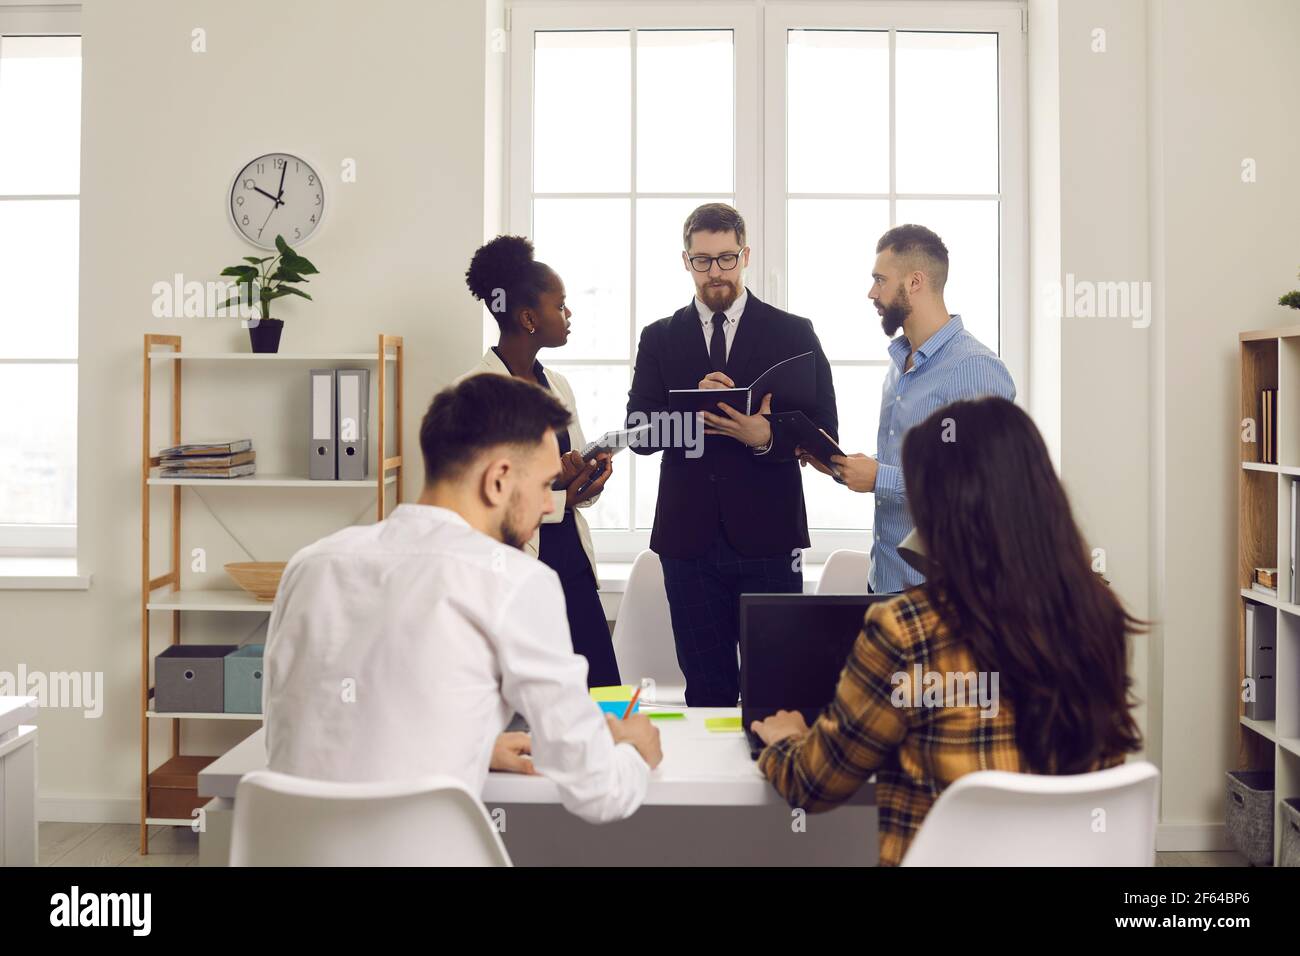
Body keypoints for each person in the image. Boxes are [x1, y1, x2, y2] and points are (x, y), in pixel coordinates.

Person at [753, 397, 1144, 865]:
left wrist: (785, 741)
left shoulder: (908, 630)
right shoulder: (1098, 614)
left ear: (946, 513)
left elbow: (814, 785)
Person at [262, 373, 662, 825]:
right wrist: (632, 751)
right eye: (545, 485)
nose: (551, 505)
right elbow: (599, 792)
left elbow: (299, 727)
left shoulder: (312, 564)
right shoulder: (516, 581)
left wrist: (474, 743)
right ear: (498, 481)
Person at [626, 202, 838, 706]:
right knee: (707, 691)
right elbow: (638, 433)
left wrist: (761, 435)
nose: (714, 272)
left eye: (725, 259)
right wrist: (692, 412)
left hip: (770, 541)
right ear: (686, 261)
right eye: (702, 260)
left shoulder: (794, 332)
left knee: (777, 691)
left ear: (745, 255)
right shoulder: (659, 338)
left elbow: (825, 435)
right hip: (688, 545)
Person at [798, 224, 1015, 594]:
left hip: (941, 593)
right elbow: (909, 462)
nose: (872, 292)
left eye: (880, 280)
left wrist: (879, 477)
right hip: (884, 581)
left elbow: (977, 486)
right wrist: (839, 465)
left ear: (915, 282)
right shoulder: (902, 363)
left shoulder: (975, 368)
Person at [462, 235, 619, 688]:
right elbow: (484, 503)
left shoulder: (559, 385)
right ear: (529, 318)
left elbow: (569, 491)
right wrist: (562, 498)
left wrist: (590, 479)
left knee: (601, 695)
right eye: (561, 306)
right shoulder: (476, 393)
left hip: (571, 564)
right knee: (528, 704)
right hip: (516, 570)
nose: (569, 315)